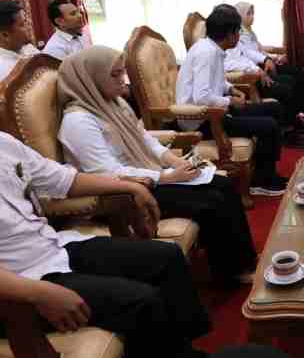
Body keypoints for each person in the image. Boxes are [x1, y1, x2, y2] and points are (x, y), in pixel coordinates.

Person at [0, 130, 212, 358]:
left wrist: (132, 187)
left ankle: (185, 349)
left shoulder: (4, 143)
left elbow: (65, 181)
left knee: (166, 257)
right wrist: (37, 292)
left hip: (52, 247)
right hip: (19, 279)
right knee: (142, 301)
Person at [57, 46, 258, 285]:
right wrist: (168, 177)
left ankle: (245, 261)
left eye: (122, 72)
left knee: (223, 184)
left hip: (150, 175)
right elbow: (106, 172)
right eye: (115, 74)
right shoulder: (78, 121)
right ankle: (230, 272)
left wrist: (175, 161)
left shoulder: (114, 103)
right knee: (211, 201)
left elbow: (146, 140)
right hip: (124, 193)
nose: (123, 80)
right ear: (92, 78)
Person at [177, 5, 288, 196]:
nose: (239, 36)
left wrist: (231, 89)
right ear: (230, 34)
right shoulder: (207, 53)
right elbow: (201, 97)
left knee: (274, 108)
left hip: (217, 109)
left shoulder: (213, 48)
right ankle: (262, 182)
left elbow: (217, 81)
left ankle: (265, 171)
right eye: (237, 31)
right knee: (268, 125)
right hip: (203, 119)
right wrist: (230, 101)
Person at [234, 1, 304, 117]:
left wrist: (273, 57)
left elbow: (259, 49)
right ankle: (301, 110)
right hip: (256, 70)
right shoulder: (238, 35)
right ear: (239, 16)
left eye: (252, 13)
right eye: (248, 14)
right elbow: (249, 54)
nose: (252, 16)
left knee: (297, 70)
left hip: (262, 65)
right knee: (291, 79)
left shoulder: (248, 31)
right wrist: (266, 59)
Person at [0, 0, 39, 80]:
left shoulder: (29, 49)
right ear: (5, 35)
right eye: (22, 25)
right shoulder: (3, 72)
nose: (29, 27)